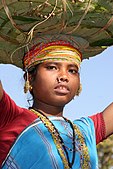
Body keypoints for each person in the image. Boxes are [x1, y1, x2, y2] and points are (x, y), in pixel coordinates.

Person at [0, 36, 113, 169]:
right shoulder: (11, 117)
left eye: (72, 71)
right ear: (29, 78)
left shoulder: (86, 131)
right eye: (52, 67)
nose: (64, 77)